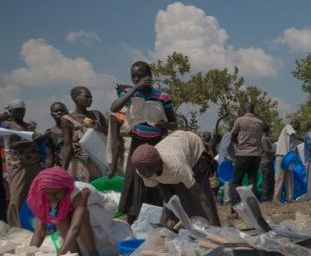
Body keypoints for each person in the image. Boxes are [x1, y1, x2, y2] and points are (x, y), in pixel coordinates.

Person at [111, 61, 177, 224]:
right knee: (134, 182)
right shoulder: (129, 94)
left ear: (149, 76)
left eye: (141, 76)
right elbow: (114, 107)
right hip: (137, 143)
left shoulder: (162, 97)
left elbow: (174, 123)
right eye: (133, 77)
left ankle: (156, 219)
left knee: (155, 180)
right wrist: (135, 88)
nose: (136, 79)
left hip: (156, 145)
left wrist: (164, 125)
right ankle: (133, 220)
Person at [28, 167, 130, 256]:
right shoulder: (46, 197)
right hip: (75, 211)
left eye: (55, 193)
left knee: (79, 216)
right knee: (61, 218)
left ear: (65, 188)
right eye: (48, 194)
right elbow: (40, 230)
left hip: (101, 209)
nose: (52, 197)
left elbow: (75, 227)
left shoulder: (81, 192)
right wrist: (28, 255)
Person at [131, 131, 221, 227]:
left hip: (193, 149)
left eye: (145, 169)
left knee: (194, 204)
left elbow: (201, 196)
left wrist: (214, 228)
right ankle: (185, 230)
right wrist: (170, 217)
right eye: (139, 169)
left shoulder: (177, 167)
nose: (142, 173)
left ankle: (212, 229)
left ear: (156, 163)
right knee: (178, 207)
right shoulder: (143, 170)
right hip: (175, 146)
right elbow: (166, 193)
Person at [1, 100, 41, 227]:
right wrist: (31, 139)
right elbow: (13, 144)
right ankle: (15, 225)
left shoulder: (29, 126)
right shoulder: (6, 126)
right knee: (17, 196)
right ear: (11, 112)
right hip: (17, 164)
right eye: (16, 111)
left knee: (35, 194)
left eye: (22, 111)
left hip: (33, 163)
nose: (20, 113)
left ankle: (35, 223)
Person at [62, 86, 108, 181]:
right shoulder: (67, 119)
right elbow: (67, 145)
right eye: (86, 97)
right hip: (79, 163)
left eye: (91, 97)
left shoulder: (96, 115)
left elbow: (112, 134)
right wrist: (63, 170)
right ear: (75, 98)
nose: (90, 99)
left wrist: (101, 129)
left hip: (99, 161)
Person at [229, 104, 269, 203]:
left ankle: (235, 208)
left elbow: (232, 135)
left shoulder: (239, 120)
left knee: (236, 182)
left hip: (242, 153)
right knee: (253, 182)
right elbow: (261, 137)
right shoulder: (260, 122)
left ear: (245, 110)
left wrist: (238, 143)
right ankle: (254, 206)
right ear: (253, 110)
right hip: (255, 155)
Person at [274, 120, 300, 203]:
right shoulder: (288, 126)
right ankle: (276, 199)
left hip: (288, 157)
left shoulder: (292, 134)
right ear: (293, 123)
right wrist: (304, 138)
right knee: (280, 178)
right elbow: (293, 134)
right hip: (281, 155)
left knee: (289, 178)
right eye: (297, 124)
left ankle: (290, 198)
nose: (297, 126)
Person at [44, 102, 69, 168]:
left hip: (77, 165)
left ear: (67, 112)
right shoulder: (49, 133)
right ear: (51, 114)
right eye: (56, 111)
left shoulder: (75, 129)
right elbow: (49, 157)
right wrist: (47, 173)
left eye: (62, 110)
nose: (59, 112)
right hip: (60, 168)